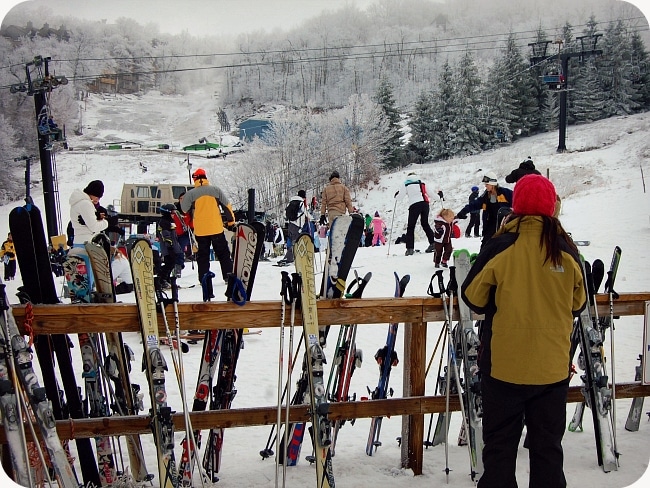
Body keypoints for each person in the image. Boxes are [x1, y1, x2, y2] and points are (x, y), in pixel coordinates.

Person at [460, 174, 586, 488]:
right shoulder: (566, 250)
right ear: (551, 207)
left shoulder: (501, 244)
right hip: (551, 368)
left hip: (504, 367)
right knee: (547, 450)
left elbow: (472, 295)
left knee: (500, 448)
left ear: (517, 206)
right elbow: (579, 302)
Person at [180, 168, 235, 298]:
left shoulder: (191, 194)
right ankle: (228, 276)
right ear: (205, 177)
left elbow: (183, 210)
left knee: (203, 256)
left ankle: (204, 278)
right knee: (223, 254)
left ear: (195, 179)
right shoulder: (216, 190)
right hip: (216, 228)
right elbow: (227, 206)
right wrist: (231, 222)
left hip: (200, 230)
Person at [68, 180, 116, 292]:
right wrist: (107, 222)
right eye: (97, 197)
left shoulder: (77, 202)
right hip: (88, 243)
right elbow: (93, 226)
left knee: (81, 278)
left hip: (78, 242)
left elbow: (88, 221)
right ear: (92, 193)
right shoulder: (85, 203)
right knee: (89, 277)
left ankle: (82, 299)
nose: (97, 200)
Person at [456, 171, 513, 248]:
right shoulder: (485, 196)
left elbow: (518, 201)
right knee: (485, 248)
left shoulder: (505, 193)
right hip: (490, 226)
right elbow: (474, 204)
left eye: (487, 184)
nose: (485, 186)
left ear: (493, 183)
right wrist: (463, 212)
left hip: (504, 225)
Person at [399, 172, 436, 255]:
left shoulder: (406, 183)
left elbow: (400, 197)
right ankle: (433, 243)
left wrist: (396, 196)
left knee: (411, 227)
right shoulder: (421, 182)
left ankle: (410, 249)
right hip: (425, 204)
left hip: (414, 205)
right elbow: (431, 194)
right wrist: (439, 197)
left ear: (408, 177)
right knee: (425, 224)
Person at [279, 190, 309, 265]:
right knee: (295, 242)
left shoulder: (291, 202)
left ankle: (292, 257)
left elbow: (285, 214)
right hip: (297, 225)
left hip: (290, 224)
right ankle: (289, 259)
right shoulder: (301, 203)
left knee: (293, 241)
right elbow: (304, 213)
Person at [157, 203, 185, 287]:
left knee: (172, 264)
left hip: (173, 247)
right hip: (168, 248)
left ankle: (167, 279)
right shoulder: (164, 222)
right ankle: (161, 280)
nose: (174, 215)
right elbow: (166, 235)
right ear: (167, 213)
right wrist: (170, 247)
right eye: (172, 213)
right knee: (169, 264)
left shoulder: (170, 221)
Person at [173, 191, 194, 260]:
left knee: (180, 249)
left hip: (184, 234)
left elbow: (192, 222)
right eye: (181, 198)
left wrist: (191, 230)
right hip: (174, 233)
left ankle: (179, 265)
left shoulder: (190, 210)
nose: (182, 200)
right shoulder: (174, 209)